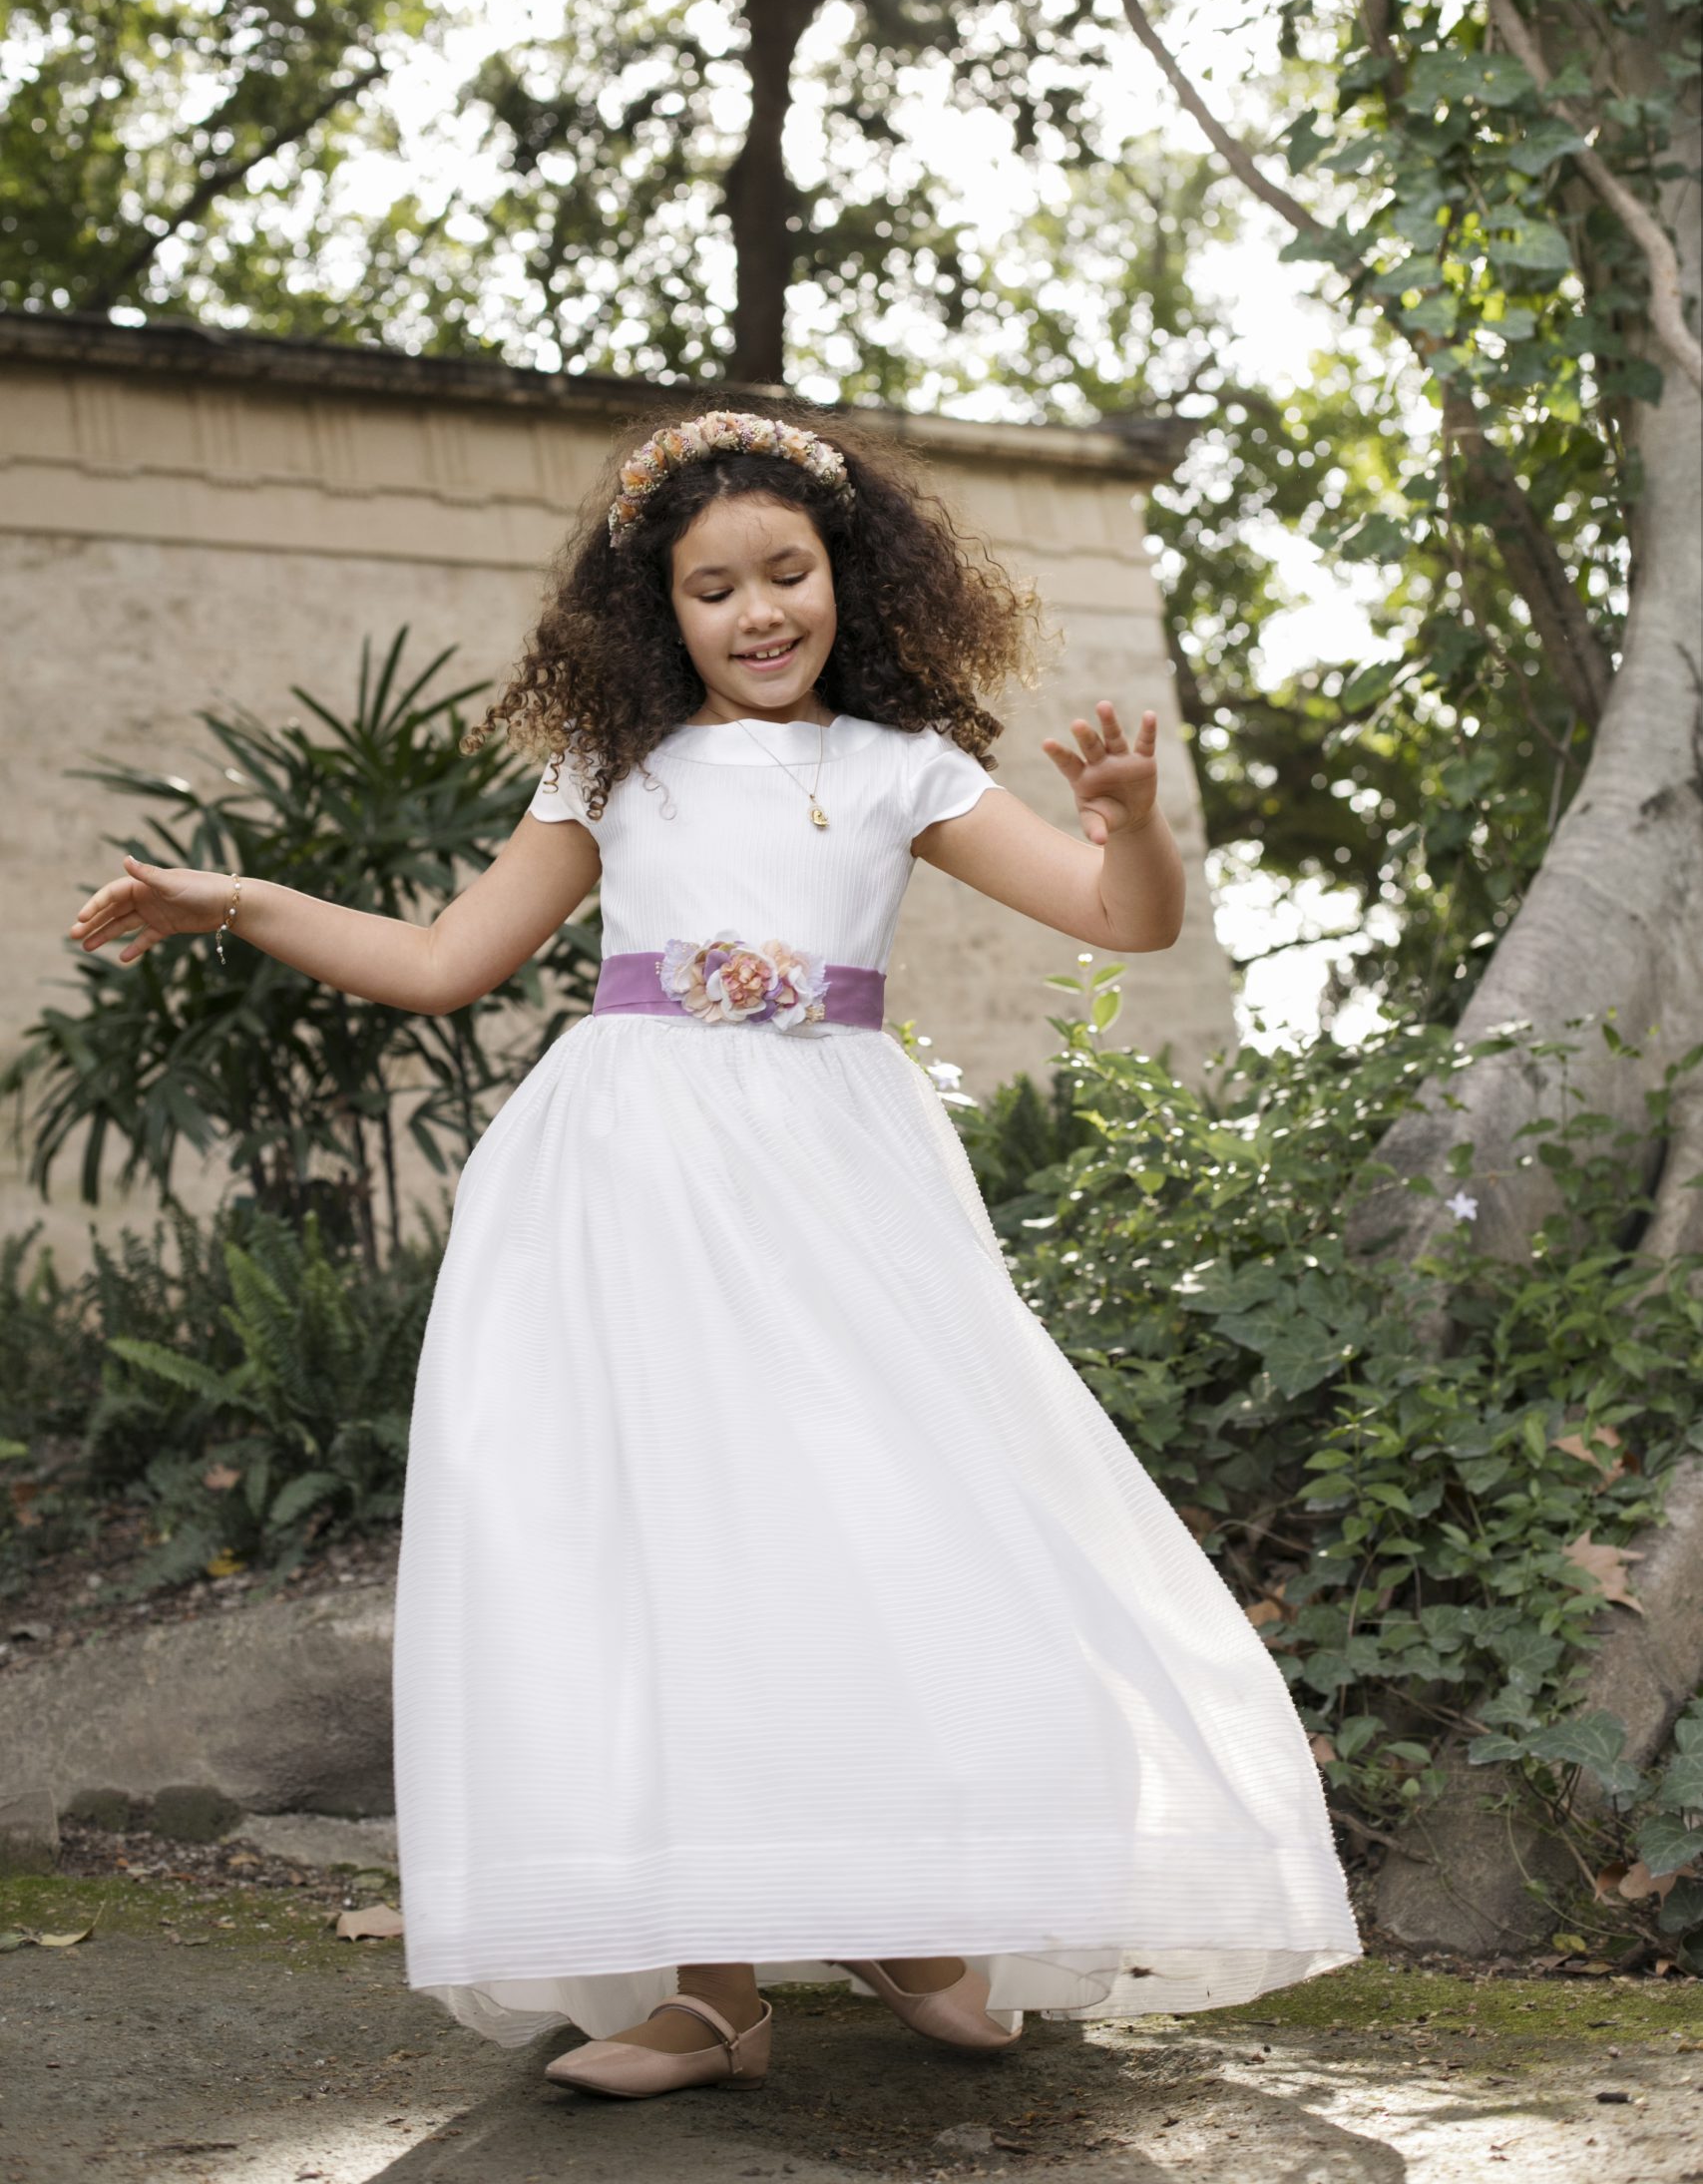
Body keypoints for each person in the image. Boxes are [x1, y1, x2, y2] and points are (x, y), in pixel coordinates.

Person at [67, 394, 1359, 2104]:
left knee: (870, 1528)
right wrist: (228, 899)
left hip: (835, 1180)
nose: (758, 611)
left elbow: (1121, 919)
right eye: (712, 586)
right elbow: (449, 957)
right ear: (652, 610)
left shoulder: (904, 769)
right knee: (670, 1550)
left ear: (852, 579)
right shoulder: (610, 769)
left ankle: (905, 1911)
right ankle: (713, 1990)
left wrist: (1132, 821)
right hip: (627, 1180)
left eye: (789, 572)